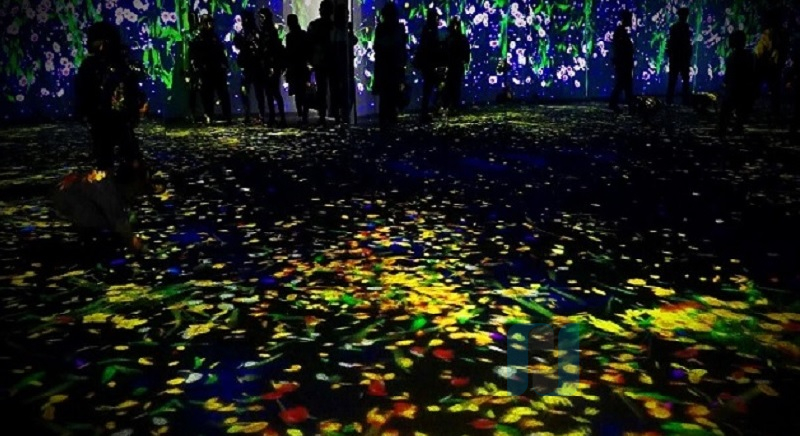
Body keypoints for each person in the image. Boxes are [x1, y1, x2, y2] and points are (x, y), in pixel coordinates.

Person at [75, 21, 143, 172]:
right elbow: (84, 89)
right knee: (104, 151)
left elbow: (131, 85)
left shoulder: (121, 62)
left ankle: (132, 174)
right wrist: (85, 111)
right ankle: (108, 176)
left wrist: (134, 107)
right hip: (100, 115)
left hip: (119, 114)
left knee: (127, 148)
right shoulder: (90, 65)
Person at [189, 14, 232, 124]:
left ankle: (227, 116)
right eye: (206, 23)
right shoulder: (198, 38)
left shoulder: (214, 37)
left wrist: (225, 64)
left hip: (217, 70)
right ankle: (209, 115)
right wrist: (197, 68)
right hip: (206, 71)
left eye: (210, 23)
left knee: (223, 94)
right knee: (207, 95)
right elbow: (194, 55)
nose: (209, 25)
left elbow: (220, 52)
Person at [373, 1, 407, 127]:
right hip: (392, 65)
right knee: (391, 92)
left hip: (386, 66)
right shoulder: (397, 28)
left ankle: (386, 119)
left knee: (387, 94)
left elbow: (378, 46)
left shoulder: (383, 28)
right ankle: (390, 118)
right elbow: (401, 46)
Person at [718, 30, 757, 136]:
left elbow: (729, 75)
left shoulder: (733, 57)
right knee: (740, 111)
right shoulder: (749, 56)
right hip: (745, 88)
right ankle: (736, 128)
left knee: (727, 110)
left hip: (735, 88)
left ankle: (724, 129)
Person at [754, 9, 789, 121]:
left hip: (771, 66)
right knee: (772, 89)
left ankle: (774, 112)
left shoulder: (778, 34)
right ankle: (774, 111)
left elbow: (779, 50)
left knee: (774, 90)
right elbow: (760, 51)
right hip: (768, 65)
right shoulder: (771, 33)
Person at [233, 10, 266, 124]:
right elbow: (238, 44)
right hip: (248, 66)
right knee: (248, 91)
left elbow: (259, 47)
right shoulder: (246, 32)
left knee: (256, 91)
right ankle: (251, 114)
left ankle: (259, 114)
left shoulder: (254, 33)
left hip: (254, 66)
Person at [413, 8, 443, 123]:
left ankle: (427, 111)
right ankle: (428, 111)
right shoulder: (430, 30)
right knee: (432, 86)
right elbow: (429, 46)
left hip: (428, 63)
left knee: (430, 87)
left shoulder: (429, 29)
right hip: (429, 63)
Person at [329, 4, 357, 125]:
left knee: (341, 90)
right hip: (341, 66)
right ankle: (342, 114)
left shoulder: (336, 31)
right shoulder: (338, 31)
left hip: (340, 66)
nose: (347, 17)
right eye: (346, 15)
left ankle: (341, 114)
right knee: (343, 90)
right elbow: (352, 41)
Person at [259, 7, 287, 127]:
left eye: (262, 17)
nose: (260, 19)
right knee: (271, 93)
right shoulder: (267, 30)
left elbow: (272, 49)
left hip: (271, 65)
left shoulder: (269, 31)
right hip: (270, 65)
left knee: (273, 92)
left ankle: (278, 117)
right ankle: (275, 117)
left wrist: (271, 65)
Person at [307, 0, 334, 126]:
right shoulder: (333, 25)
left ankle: (324, 114)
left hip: (321, 61)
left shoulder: (316, 25)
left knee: (323, 89)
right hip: (327, 61)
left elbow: (309, 42)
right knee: (327, 88)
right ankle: (330, 114)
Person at [285, 14, 312, 125]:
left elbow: (288, 53)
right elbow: (308, 50)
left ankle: (301, 114)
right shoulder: (303, 34)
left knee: (298, 93)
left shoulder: (289, 36)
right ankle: (304, 115)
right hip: (302, 66)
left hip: (294, 67)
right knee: (303, 92)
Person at [609, 10, 635, 114]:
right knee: (624, 83)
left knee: (623, 84)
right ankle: (628, 105)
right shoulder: (621, 32)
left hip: (623, 62)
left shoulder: (621, 32)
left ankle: (627, 104)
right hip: (623, 62)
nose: (631, 21)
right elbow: (621, 48)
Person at [666, 7, 692, 105]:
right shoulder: (685, 27)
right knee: (683, 80)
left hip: (676, 58)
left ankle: (670, 100)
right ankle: (684, 100)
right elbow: (686, 43)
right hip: (681, 58)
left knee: (674, 80)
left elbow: (671, 43)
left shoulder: (676, 27)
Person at [443, 17, 470, 111]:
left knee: (453, 85)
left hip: (455, 65)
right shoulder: (453, 38)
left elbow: (465, 51)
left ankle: (453, 105)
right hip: (454, 65)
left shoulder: (453, 38)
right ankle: (452, 105)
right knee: (453, 86)